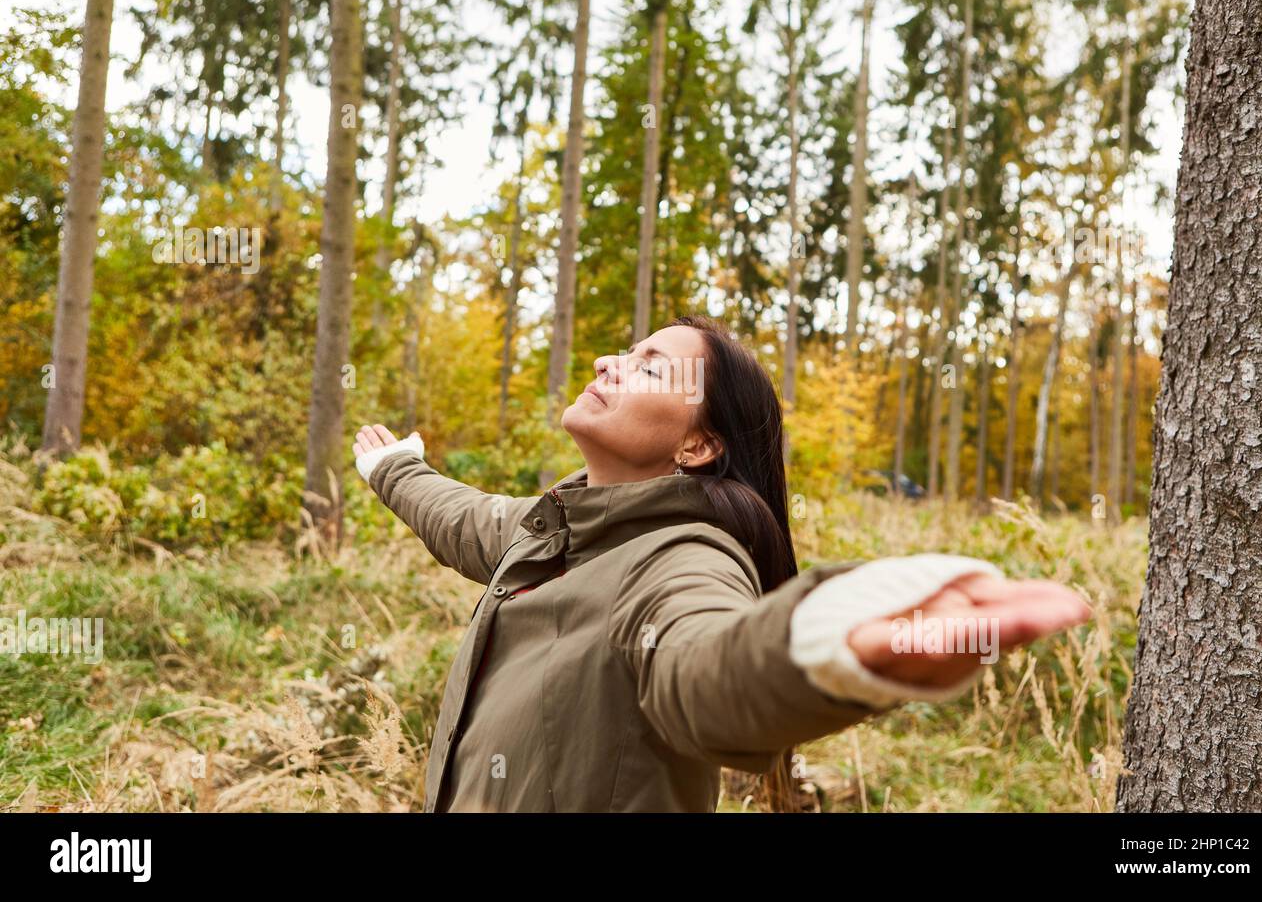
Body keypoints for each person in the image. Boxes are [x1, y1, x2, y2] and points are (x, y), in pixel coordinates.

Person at [353, 314, 1091, 812]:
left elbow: (703, 669)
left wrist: (824, 646)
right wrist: (396, 469)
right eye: (626, 351)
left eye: (650, 368)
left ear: (698, 446)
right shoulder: (557, 527)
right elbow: (467, 521)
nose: (610, 363)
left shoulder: (681, 558)